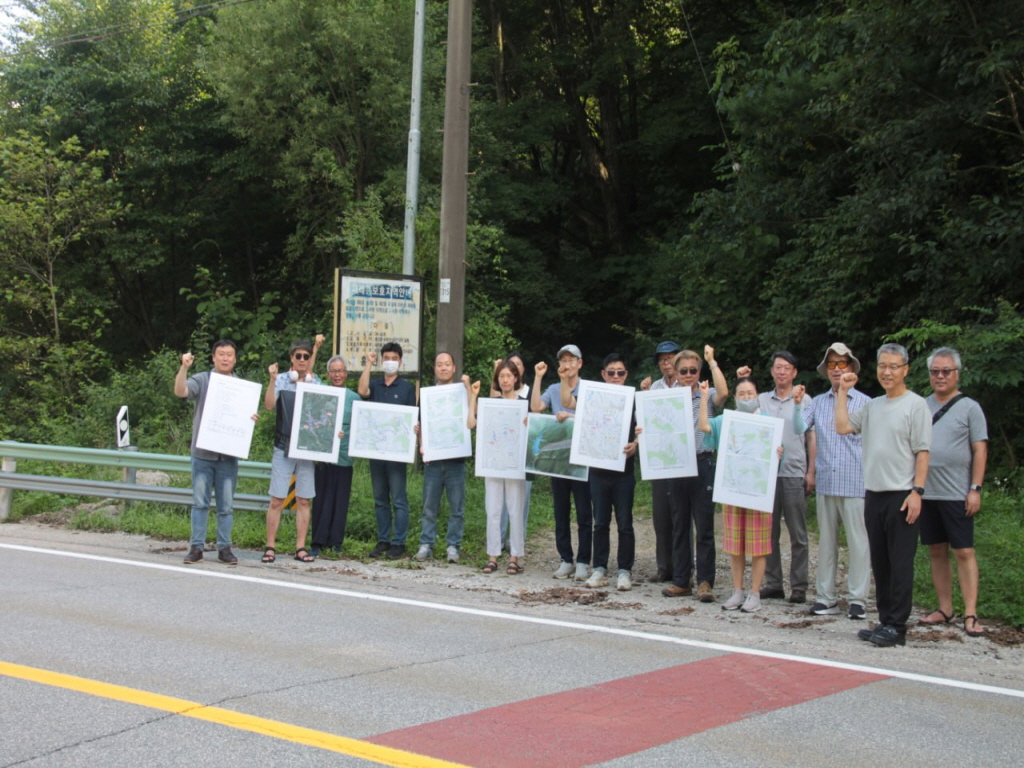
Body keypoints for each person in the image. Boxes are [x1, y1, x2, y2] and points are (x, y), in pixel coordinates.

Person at [836, 343, 931, 648]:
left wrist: (917, 491)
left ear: (905, 369)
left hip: (902, 494)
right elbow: (842, 427)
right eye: (882, 366)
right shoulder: (873, 405)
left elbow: (923, 452)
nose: (887, 372)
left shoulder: (916, 405)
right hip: (873, 494)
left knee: (900, 561)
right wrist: (841, 392)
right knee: (880, 561)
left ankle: (897, 625)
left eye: (893, 366)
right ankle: (885, 619)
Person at [697, 376, 801, 612]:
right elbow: (704, 427)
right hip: (732, 490)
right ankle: (737, 591)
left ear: (757, 397)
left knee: (758, 545)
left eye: (750, 393)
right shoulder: (727, 420)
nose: (746, 397)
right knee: (735, 544)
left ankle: (755, 593)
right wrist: (704, 397)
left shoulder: (768, 422)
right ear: (735, 398)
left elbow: (777, 456)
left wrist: (778, 451)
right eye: (741, 394)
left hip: (758, 492)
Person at [919, 347, 988, 638]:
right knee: (936, 550)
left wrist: (975, 488)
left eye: (946, 371)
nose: (940, 376)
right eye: (935, 371)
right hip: (927, 492)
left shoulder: (970, 407)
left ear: (957, 373)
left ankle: (971, 613)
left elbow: (980, 448)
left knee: (964, 550)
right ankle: (945, 607)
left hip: (957, 493)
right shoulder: (921, 405)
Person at [804, 343, 872, 620]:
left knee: (859, 543)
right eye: (831, 364)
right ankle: (825, 597)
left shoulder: (867, 403)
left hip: (857, 481)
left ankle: (858, 600)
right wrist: (798, 404)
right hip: (827, 481)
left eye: (842, 363)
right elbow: (799, 428)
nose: (836, 369)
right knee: (827, 543)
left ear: (851, 368)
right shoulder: (817, 402)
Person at [174, 339, 255, 565]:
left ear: (235, 358)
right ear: (213, 357)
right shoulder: (202, 379)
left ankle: (224, 548)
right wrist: (184, 368)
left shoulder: (241, 386)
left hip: (228, 457)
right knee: (199, 503)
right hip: (202, 455)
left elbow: (244, 416)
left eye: (229, 354)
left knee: (226, 506)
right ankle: (196, 547)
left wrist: (249, 419)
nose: (225, 358)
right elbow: (180, 391)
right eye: (221, 354)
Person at [562, 353, 638, 591]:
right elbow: (570, 404)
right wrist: (564, 380)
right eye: (611, 372)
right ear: (604, 374)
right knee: (600, 523)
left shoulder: (634, 399)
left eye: (621, 372)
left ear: (626, 375)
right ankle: (600, 568)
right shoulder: (591, 396)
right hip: (597, 470)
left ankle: (625, 570)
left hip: (624, 470)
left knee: (625, 523)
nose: (616, 376)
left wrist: (636, 443)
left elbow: (643, 429)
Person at [662, 346, 728, 602]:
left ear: (698, 371)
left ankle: (705, 582)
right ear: (676, 373)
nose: (688, 374)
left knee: (704, 526)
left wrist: (712, 362)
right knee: (679, 525)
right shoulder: (668, 398)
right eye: (684, 371)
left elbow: (724, 393)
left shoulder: (707, 393)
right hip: (676, 464)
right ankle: (681, 580)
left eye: (693, 370)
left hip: (703, 462)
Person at [752, 351, 813, 604]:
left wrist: (811, 471)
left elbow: (811, 437)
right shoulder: (762, 399)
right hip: (766, 473)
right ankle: (773, 583)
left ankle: (799, 586)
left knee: (798, 531)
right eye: (777, 367)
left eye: (786, 368)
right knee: (768, 531)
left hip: (794, 470)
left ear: (794, 372)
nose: (781, 372)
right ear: (772, 371)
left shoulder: (805, 400)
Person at [531, 344, 594, 581]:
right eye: (563, 360)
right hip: (558, 460)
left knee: (584, 513)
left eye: (571, 360)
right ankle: (565, 559)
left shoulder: (588, 388)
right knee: (561, 512)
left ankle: (583, 561)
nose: (567, 364)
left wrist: (571, 416)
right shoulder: (554, 387)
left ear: (580, 363)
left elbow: (592, 419)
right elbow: (536, 407)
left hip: (581, 459)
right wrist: (538, 377)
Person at [263, 336, 324, 564]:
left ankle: (300, 547)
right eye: (297, 356)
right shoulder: (280, 380)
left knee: (304, 500)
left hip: (307, 449)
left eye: (306, 356)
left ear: (310, 360)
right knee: (277, 499)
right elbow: (269, 406)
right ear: (291, 358)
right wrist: (271, 380)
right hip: (283, 445)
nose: (301, 360)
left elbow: (324, 416)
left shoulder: (316, 382)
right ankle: (270, 546)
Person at [358, 341, 418, 560]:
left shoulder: (407, 388)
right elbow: (362, 390)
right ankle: (383, 540)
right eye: (387, 358)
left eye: (394, 358)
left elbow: (413, 418)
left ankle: (399, 543)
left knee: (399, 499)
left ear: (400, 361)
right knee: (380, 498)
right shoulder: (375, 385)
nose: (390, 362)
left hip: (396, 454)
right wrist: (368, 364)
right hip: (376, 451)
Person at [415, 351, 468, 564]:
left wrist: (469, 388)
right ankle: (426, 544)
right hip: (433, 460)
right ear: (435, 369)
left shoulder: (463, 393)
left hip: (456, 459)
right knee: (429, 505)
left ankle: (453, 546)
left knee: (457, 507)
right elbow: (421, 426)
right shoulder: (427, 395)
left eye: (447, 364)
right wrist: (421, 444)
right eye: (439, 364)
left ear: (454, 368)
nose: (444, 368)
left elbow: (472, 419)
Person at [478, 359, 528, 575]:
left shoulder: (524, 403)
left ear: (516, 378)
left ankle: (515, 556)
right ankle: (492, 556)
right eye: (501, 376)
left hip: (515, 465)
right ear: (497, 380)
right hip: (493, 464)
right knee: (493, 509)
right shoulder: (491, 403)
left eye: (509, 376)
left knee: (515, 510)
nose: (505, 380)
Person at [639, 340, 682, 582]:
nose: (667, 362)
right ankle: (664, 566)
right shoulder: (654, 388)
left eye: (671, 358)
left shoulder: (689, 384)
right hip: (659, 459)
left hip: (683, 458)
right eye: (662, 359)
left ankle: (683, 567)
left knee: (681, 516)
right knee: (661, 515)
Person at [310, 354, 361, 557]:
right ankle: (317, 541)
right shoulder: (320, 394)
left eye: (341, 371)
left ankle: (336, 542)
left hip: (344, 455)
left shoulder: (354, 398)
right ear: (328, 374)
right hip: (323, 454)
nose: (337, 374)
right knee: (321, 498)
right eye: (334, 371)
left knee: (340, 499)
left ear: (346, 374)